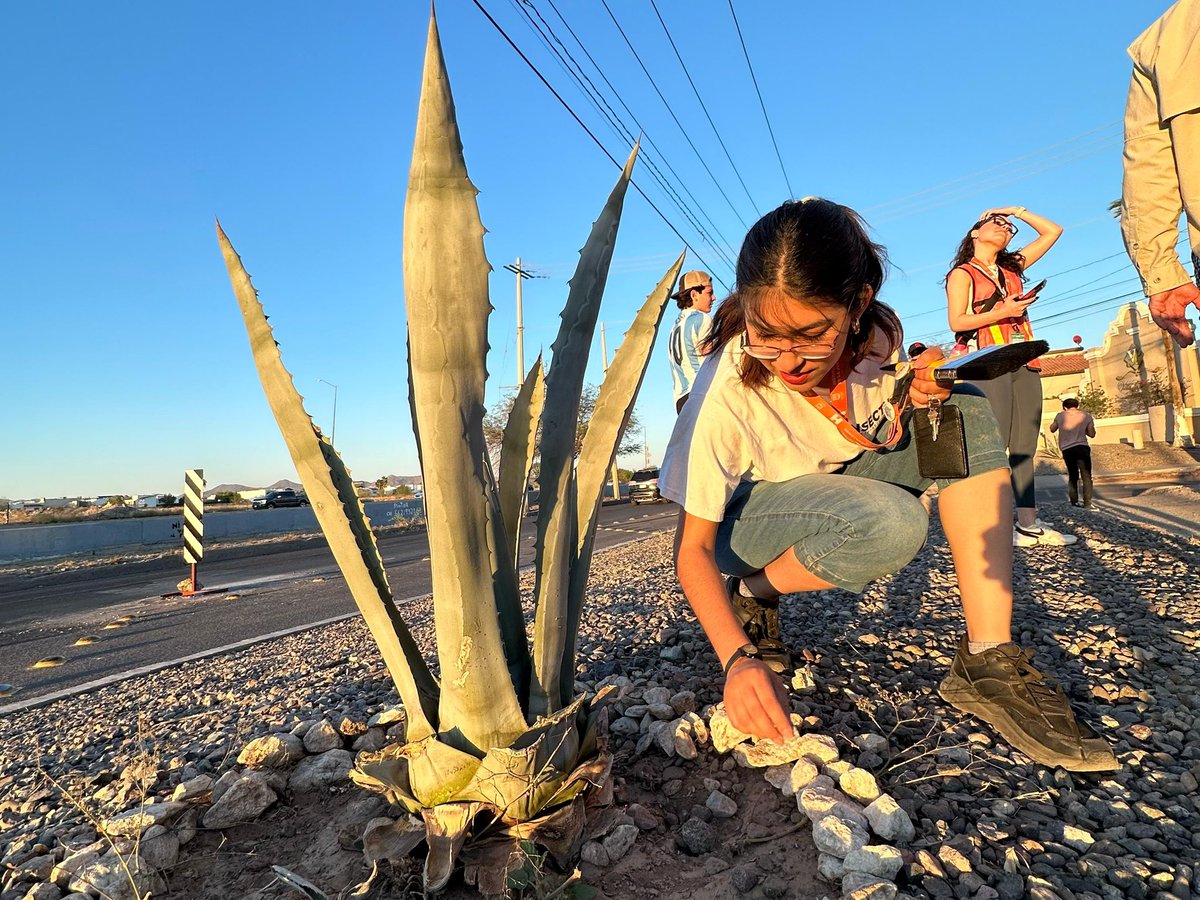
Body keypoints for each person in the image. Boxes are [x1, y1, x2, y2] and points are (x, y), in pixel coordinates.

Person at [659, 198, 1116, 772]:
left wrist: (914, 394)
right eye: (766, 335)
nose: (788, 359)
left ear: (858, 305)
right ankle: (755, 593)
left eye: (811, 334)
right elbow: (693, 551)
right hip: (746, 525)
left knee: (962, 407)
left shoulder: (879, 340)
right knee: (892, 522)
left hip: (834, 486)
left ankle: (987, 660)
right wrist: (737, 659)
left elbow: (869, 418)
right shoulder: (725, 394)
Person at [944, 207, 1076, 548]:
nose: (1005, 229)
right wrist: (1004, 311)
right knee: (995, 442)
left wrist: (1015, 210)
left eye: (1009, 228)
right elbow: (957, 322)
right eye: (997, 223)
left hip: (1025, 360)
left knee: (1024, 445)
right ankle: (989, 522)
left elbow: (1053, 230)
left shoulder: (1012, 268)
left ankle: (1027, 525)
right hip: (990, 361)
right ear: (975, 233)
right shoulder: (963, 274)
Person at [1119, 0, 1200, 349]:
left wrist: (1161, 272)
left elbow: (1148, 165)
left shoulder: (1169, 35)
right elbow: (1149, 163)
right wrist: (1161, 271)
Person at [668, 270, 715, 413]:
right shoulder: (702, 319)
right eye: (709, 293)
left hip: (680, 400)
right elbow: (710, 356)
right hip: (700, 394)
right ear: (694, 295)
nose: (713, 298)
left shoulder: (675, 326)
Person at [1050, 398, 1097, 509]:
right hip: (1082, 447)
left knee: (1073, 475)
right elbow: (1092, 434)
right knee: (1086, 475)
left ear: (1065, 407)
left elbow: (1052, 429)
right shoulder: (1086, 416)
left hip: (1067, 449)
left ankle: (1074, 501)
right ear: (1077, 406)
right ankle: (1087, 502)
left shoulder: (1060, 416)